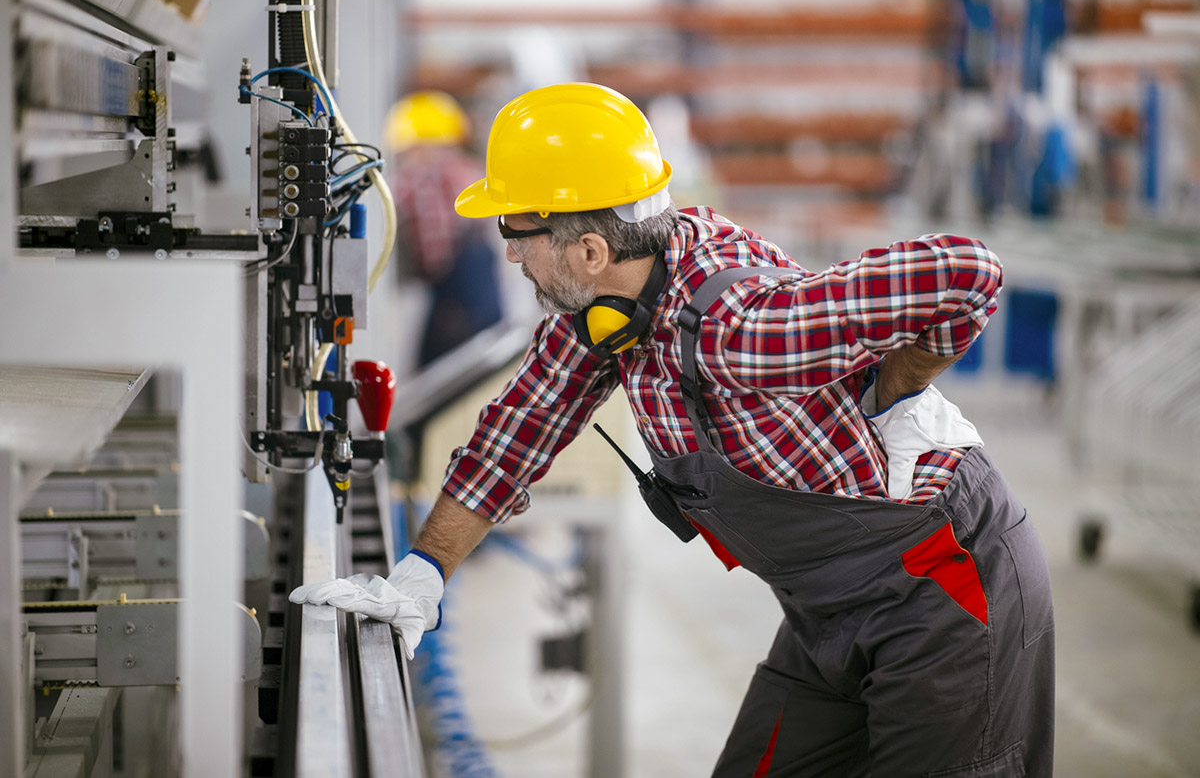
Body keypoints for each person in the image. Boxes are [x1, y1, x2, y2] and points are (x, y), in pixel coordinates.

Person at [293, 83, 1055, 777]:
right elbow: (515, 433)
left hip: (944, 589)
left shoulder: (740, 326)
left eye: (517, 231)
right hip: (828, 611)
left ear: (591, 250)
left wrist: (899, 384)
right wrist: (421, 577)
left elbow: (967, 272)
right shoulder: (605, 312)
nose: (510, 253)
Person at [384, 90, 503, 367]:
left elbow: (434, 255)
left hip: (456, 299)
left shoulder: (420, 181)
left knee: (438, 369)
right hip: (483, 296)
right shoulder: (471, 173)